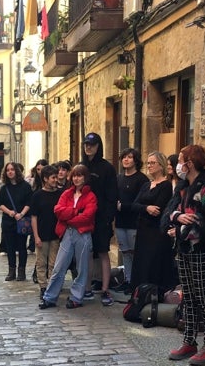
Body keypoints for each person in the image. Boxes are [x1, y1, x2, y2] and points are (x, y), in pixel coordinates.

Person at [166, 145, 205, 365]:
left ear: (190, 163)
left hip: (202, 251)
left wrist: (182, 228)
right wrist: (177, 218)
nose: (178, 165)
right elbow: (169, 213)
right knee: (188, 298)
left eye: (181, 160)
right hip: (183, 249)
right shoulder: (182, 188)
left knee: (203, 298)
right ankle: (189, 341)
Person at [39, 164, 98, 309]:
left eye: (79, 175)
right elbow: (58, 211)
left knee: (81, 268)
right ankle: (50, 297)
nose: (76, 178)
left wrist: (69, 217)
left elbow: (87, 216)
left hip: (83, 234)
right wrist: (76, 211)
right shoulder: (66, 194)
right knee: (59, 266)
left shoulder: (90, 196)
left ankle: (77, 297)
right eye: (74, 175)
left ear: (85, 177)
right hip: (67, 233)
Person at [129, 152, 176, 293]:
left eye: (152, 163)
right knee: (141, 263)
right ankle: (139, 293)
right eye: (148, 163)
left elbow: (158, 209)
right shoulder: (145, 185)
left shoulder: (166, 186)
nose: (149, 166)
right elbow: (134, 205)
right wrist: (146, 208)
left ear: (161, 166)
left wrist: (144, 208)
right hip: (143, 230)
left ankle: (153, 294)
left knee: (153, 264)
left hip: (156, 232)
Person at [80, 132, 118, 307]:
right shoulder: (81, 167)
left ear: (98, 146)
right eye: (86, 144)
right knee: (86, 253)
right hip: (84, 218)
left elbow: (112, 196)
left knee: (103, 252)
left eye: (92, 144)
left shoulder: (107, 168)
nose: (89, 147)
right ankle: (86, 287)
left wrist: (108, 218)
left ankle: (105, 288)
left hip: (101, 218)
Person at [114, 148, 149, 293]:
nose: (126, 160)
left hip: (134, 222)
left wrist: (125, 206)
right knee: (125, 253)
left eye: (129, 157)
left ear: (136, 160)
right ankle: (128, 280)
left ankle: (136, 281)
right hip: (120, 221)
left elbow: (141, 200)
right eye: (124, 157)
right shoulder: (119, 178)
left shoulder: (142, 179)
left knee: (135, 253)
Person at [29, 165, 63, 298]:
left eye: (56, 177)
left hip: (56, 235)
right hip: (42, 234)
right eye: (53, 177)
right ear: (45, 179)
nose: (56, 180)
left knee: (54, 263)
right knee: (41, 262)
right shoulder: (37, 195)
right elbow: (34, 217)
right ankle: (43, 286)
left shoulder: (60, 194)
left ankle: (52, 286)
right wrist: (36, 236)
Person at [0, 162, 33, 281]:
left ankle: (21, 271)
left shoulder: (25, 186)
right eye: (8, 170)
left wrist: (21, 214)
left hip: (22, 221)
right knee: (10, 247)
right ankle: (11, 271)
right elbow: (0, 204)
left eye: (12, 169)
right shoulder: (4, 188)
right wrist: (9, 212)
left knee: (22, 246)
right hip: (8, 221)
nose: (10, 172)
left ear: (17, 171)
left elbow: (29, 202)